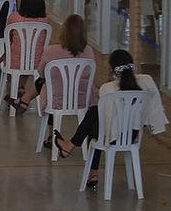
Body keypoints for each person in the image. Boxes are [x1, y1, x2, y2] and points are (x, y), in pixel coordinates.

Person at [52, 51, 168, 179]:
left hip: (113, 136)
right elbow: (153, 108)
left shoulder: (107, 88)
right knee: (94, 112)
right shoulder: (146, 81)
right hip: (132, 135)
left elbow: (107, 121)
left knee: (93, 119)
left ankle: (85, 164)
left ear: (112, 69)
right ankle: (73, 151)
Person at [11, 13, 95, 116]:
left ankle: (26, 101)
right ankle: (25, 100)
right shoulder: (89, 51)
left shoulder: (51, 51)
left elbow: (41, 73)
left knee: (48, 81)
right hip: (81, 100)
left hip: (55, 100)